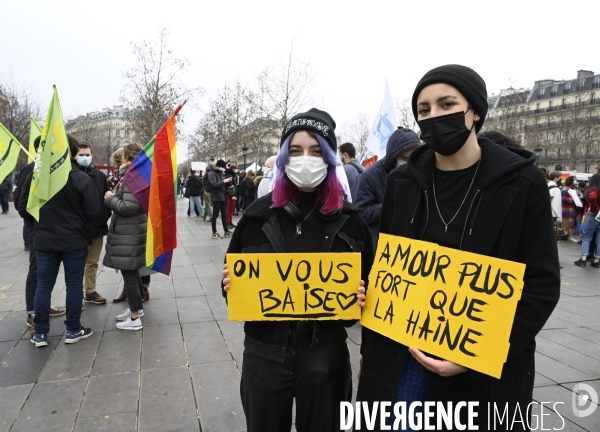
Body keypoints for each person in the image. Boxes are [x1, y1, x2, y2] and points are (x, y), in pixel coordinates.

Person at [357, 64, 560, 430]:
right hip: (402, 362)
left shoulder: (524, 183)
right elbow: (384, 265)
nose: (434, 116)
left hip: (482, 374)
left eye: (447, 103)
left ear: (475, 111)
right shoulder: (401, 183)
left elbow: (541, 285)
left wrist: (477, 354)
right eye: (424, 110)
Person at [221, 108, 373, 432]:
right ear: (283, 157)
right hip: (264, 355)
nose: (306, 159)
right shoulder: (256, 218)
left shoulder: (353, 222)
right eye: (296, 150)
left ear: (331, 158)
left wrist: (363, 297)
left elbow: (371, 289)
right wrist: (230, 286)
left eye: (316, 151)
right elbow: (234, 286)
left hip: (326, 359)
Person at [19, 134, 101, 347]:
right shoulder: (80, 178)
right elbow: (94, 211)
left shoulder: (38, 176)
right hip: (74, 240)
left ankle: (40, 333)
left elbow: (23, 206)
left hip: (45, 239)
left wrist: (38, 224)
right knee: (73, 285)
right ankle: (73, 329)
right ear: (73, 153)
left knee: (43, 286)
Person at [13, 136, 65, 327]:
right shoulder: (30, 169)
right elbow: (20, 201)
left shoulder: (58, 169)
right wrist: (34, 223)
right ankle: (32, 312)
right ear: (37, 150)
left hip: (55, 230)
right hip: (37, 230)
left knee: (49, 272)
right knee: (37, 271)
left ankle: (43, 306)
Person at [103, 143, 148, 330]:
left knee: (129, 273)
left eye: (122, 157)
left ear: (127, 158)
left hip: (129, 232)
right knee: (133, 271)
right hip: (131, 231)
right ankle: (136, 309)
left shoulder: (132, 177)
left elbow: (129, 207)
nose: (120, 159)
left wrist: (109, 199)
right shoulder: (135, 175)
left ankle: (135, 318)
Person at [354, 127, 422, 249]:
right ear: (394, 156)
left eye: (414, 157)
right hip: (382, 245)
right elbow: (361, 213)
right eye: (405, 158)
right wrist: (391, 203)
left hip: (412, 243)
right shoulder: (370, 176)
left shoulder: (422, 171)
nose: (410, 162)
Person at [75, 141, 111, 306]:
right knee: (75, 264)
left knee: (92, 262)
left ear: (92, 155)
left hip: (96, 228)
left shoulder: (99, 176)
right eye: (81, 155)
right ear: (74, 156)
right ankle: (74, 296)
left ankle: (90, 291)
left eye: (87, 155)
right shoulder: (70, 175)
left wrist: (102, 219)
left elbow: (106, 200)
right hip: (76, 230)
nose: (84, 157)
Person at [574, 173, 600, 267]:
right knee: (599, 238)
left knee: (586, 237)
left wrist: (594, 210)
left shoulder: (593, 188)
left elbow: (592, 197)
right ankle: (597, 260)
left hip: (593, 215)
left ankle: (584, 259)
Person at [207, 159, 232, 239]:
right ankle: (214, 232)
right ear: (218, 166)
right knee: (215, 214)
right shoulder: (211, 172)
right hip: (216, 196)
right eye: (223, 167)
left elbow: (221, 183)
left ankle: (226, 231)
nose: (223, 169)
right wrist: (224, 181)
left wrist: (227, 182)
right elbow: (213, 185)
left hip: (222, 195)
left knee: (224, 214)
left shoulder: (220, 172)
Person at [224, 162, 238, 229]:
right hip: (230, 195)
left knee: (231, 209)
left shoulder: (230, 175)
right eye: (235, 169)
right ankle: (228, 222)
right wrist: (232, 195)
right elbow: (230, 187)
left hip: (231, 195)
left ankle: (230, 221)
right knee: (229, 209)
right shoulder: (230, 176)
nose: (236, 170)